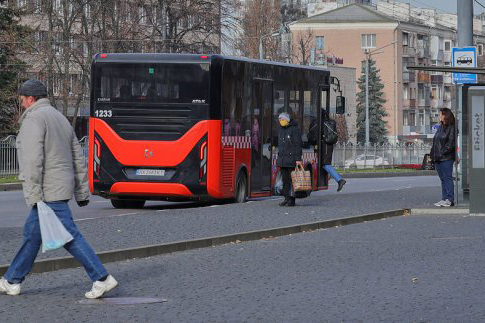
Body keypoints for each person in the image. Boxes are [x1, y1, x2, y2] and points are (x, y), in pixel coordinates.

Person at [0, 80, 118, 298]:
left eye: (22, 100)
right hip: (59, 188)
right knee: (32, 235)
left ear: (31, 98)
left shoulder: (34, 119)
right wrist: (82, 191)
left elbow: (33, 160)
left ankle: (101, 277)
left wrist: (34, 194)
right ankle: (12, 280)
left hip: (47, 191)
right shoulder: (60, 118)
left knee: (69, 237)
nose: (22, 104)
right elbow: (77, 157)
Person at [430, 107, 456, 207]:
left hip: (446, 158)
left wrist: (442, 153)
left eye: (441, 114)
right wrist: (432, 154)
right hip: (437, 158)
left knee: (447, 178)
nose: (439, 116)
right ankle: (444, 198)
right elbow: (436, 141)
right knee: (442, 179)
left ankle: (449, 199)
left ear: (446, 115)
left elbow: (451, 144)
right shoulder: (440, 127)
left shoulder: (452, 127)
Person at [276, 112, 303, 207]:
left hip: (291, 159)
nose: (281, 121)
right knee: (285, 180)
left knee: (293, 180)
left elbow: (297, 145)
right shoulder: (280, 130)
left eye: (282, 119)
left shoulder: (294, 130)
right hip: (282, 160)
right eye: (279, 120)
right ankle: (286, 198)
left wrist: (298, 159)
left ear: (287, 120)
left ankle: (292, 199)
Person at [322, 111, 346, 192]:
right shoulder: (331, 122)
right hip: (329, 146)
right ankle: (332, 177)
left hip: (323, 146)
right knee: (326, 163)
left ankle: (339, 180)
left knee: (325, 164)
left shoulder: (320, 123)